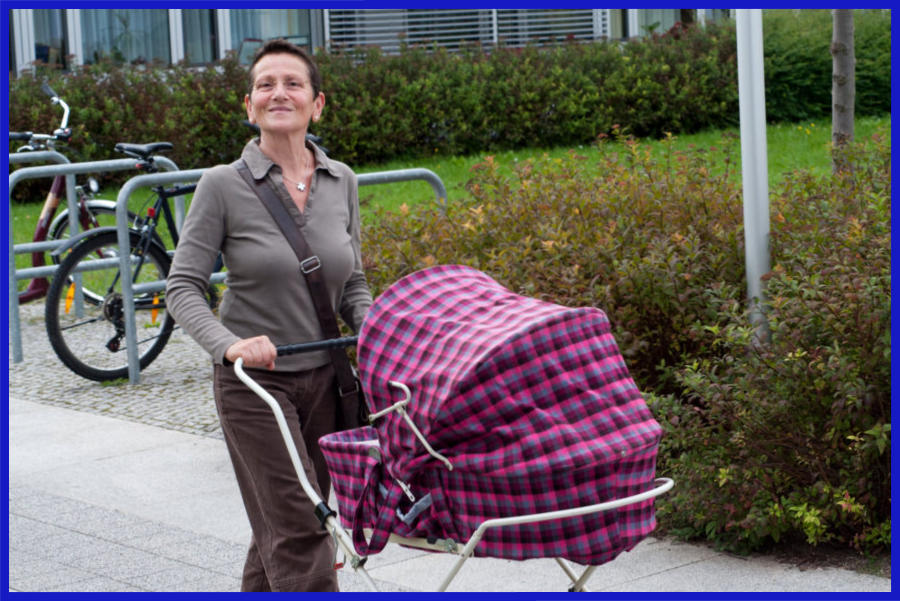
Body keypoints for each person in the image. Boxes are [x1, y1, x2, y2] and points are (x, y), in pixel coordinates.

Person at [166, 39, 372, 592]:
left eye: (293, 83)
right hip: (255, 386)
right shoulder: (222, 185)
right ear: (250, 105)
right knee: (304, 525)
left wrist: (376, 327)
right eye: (265, 85)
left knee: (281, 526)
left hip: (328, 383)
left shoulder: (342, 180)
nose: (279, 93)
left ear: (317, 104)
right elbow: (182, 286)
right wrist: (228, 345)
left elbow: (351, 280)